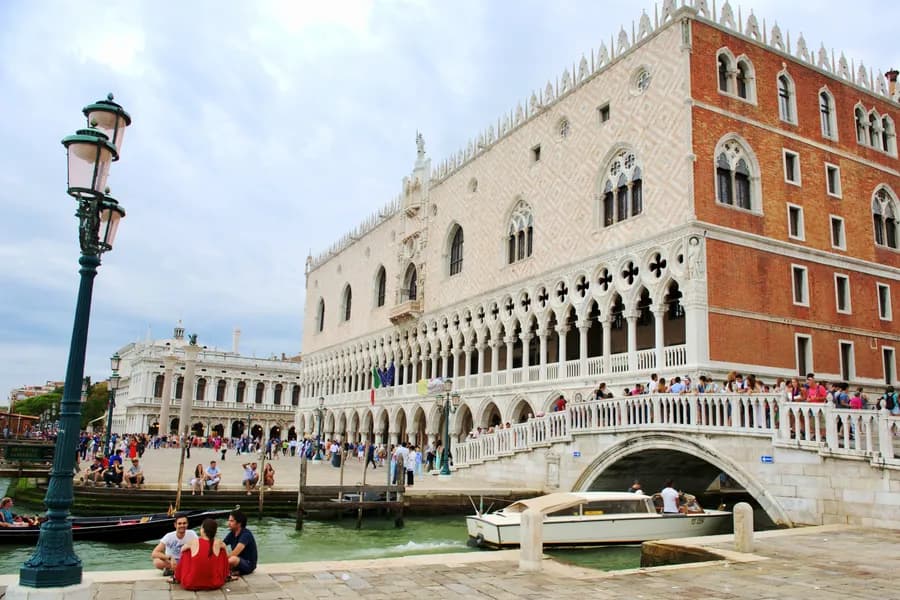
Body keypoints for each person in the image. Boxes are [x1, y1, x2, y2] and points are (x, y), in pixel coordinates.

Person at [174, 518, 230, 590]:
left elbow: (182, 550)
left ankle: (176, 577)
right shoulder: (218, 542)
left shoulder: (194, 541)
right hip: (214, 583)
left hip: (191, 583)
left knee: (186, 552)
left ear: (203, 530)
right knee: (222, 551)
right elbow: (225, 549)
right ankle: (227, 575)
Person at [223, 509, 257, 576]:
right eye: (229, 520)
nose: (228, 523)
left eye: (231, 521)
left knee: (233, 559)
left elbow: (235, 553)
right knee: (222, 549)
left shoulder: (246, 534)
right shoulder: (232, 533)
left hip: (248, 564)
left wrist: (220, 561)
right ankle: (232, 572)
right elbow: (222, 544)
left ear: (239, 523)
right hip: (238, 563)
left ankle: (224, 571)